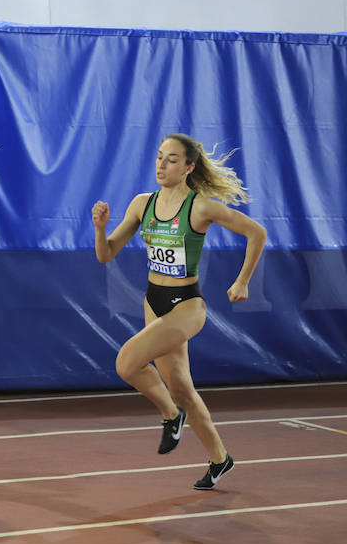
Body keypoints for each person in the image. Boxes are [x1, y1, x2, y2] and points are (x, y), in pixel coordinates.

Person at [91, 133, 266, 490]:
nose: (161, 165)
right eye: (159, 157)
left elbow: (256, 232)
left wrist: (243, 280)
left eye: (171, 160)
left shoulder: (201, 206)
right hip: (153, 300)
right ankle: (221, 459)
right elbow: (106, 254)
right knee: (182, 388)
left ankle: (172, 416)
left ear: (188, 167)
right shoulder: (143, 204)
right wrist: (100, 229)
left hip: (187, 305)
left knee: (127, 363)